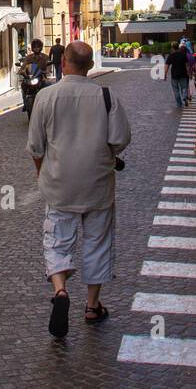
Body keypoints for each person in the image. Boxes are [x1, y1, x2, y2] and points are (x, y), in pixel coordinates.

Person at [27, 40, 131, 339]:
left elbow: (35, 146)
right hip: (97, 184)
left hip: (59, 184)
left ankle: (60, 291)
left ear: (63, 63)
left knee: (57, 241)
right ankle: (92, 306)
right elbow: (120, 139)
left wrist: (42, 173)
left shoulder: (46, 97)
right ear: (91, 66)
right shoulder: (106, 96)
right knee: (97, 243)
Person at [164, 41, 190, 108]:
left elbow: (167, 66)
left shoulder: (171, 56)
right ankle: (184, 96)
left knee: (176, 90)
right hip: (183, 74)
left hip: (174, 75)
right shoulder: (183, 55)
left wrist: (165, 74)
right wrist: (188, 72)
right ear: (178, 47)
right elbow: (187, 65)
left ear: (172, 48)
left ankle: (179, 104)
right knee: (184, 87)